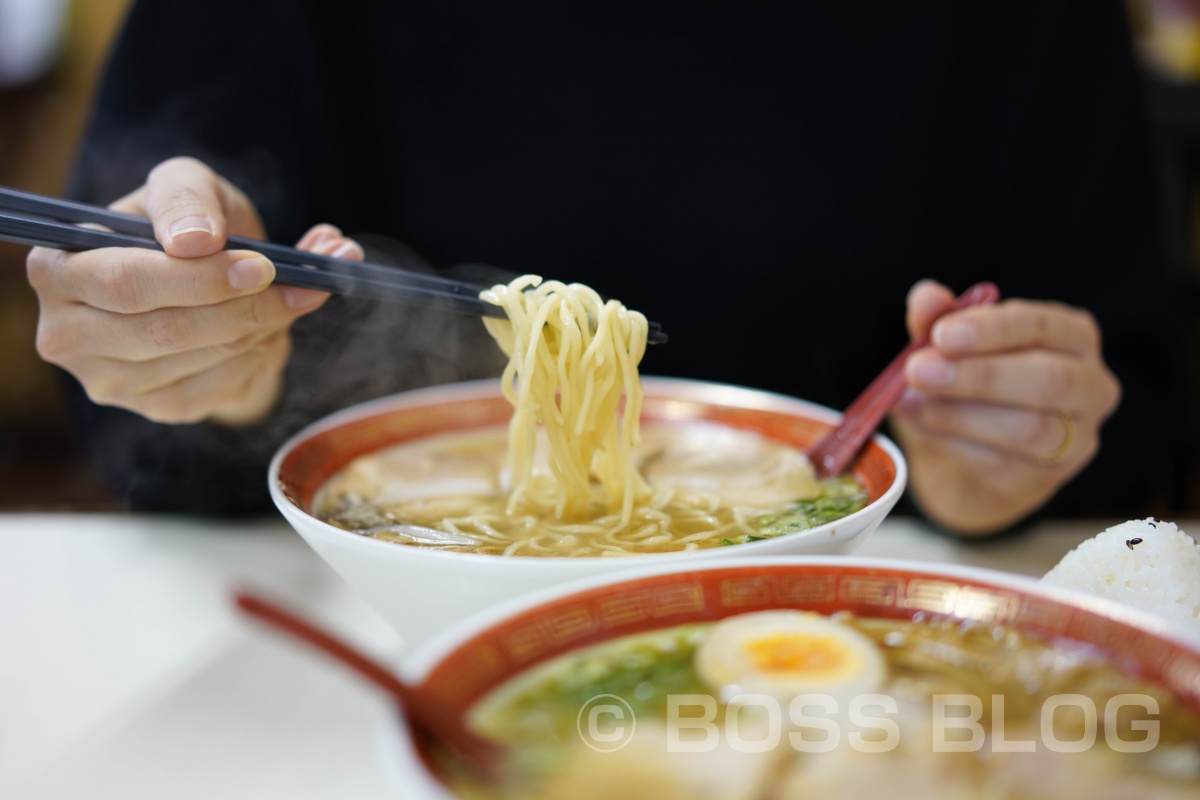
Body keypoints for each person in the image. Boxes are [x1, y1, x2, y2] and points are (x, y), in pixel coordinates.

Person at [24, 0, 1184, 533]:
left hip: (857, 608)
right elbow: (128, 407)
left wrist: (1011, 443)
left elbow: (1142, 384)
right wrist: (199, 366)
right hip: (353, 636)